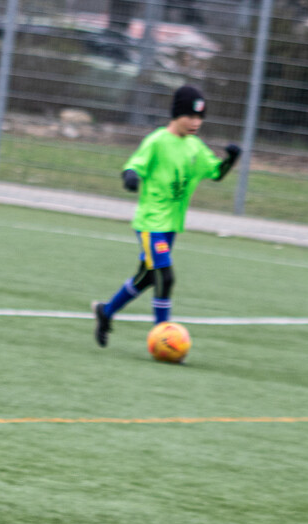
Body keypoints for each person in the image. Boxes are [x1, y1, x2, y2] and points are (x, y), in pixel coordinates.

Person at [92, 84, 240, 347]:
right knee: (166, 277)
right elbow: (134, 164)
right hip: (151, 223)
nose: (196, 123)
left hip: (171, 225)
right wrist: (131, 177)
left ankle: (106, 311)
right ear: (176, 114)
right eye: (190, 117)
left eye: (200, 118)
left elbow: (216, 172)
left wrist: (231, 159)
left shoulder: (195, 147)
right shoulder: (157, 140)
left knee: (148, 276)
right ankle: (164, 337)